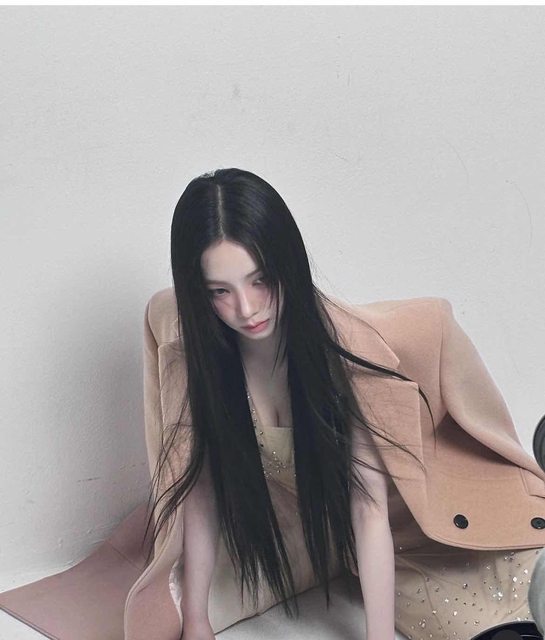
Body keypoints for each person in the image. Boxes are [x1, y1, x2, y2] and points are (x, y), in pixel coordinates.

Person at [1, 167, 544, 640]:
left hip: (429, 526)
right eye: (220, 291)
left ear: (288, 263)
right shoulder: (200, 356)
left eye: (260, 280)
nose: (246, 308)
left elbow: (369, 507)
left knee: (509, 605)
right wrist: (197, 620)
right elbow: (201, 492)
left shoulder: (339, 356)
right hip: (348, 548)